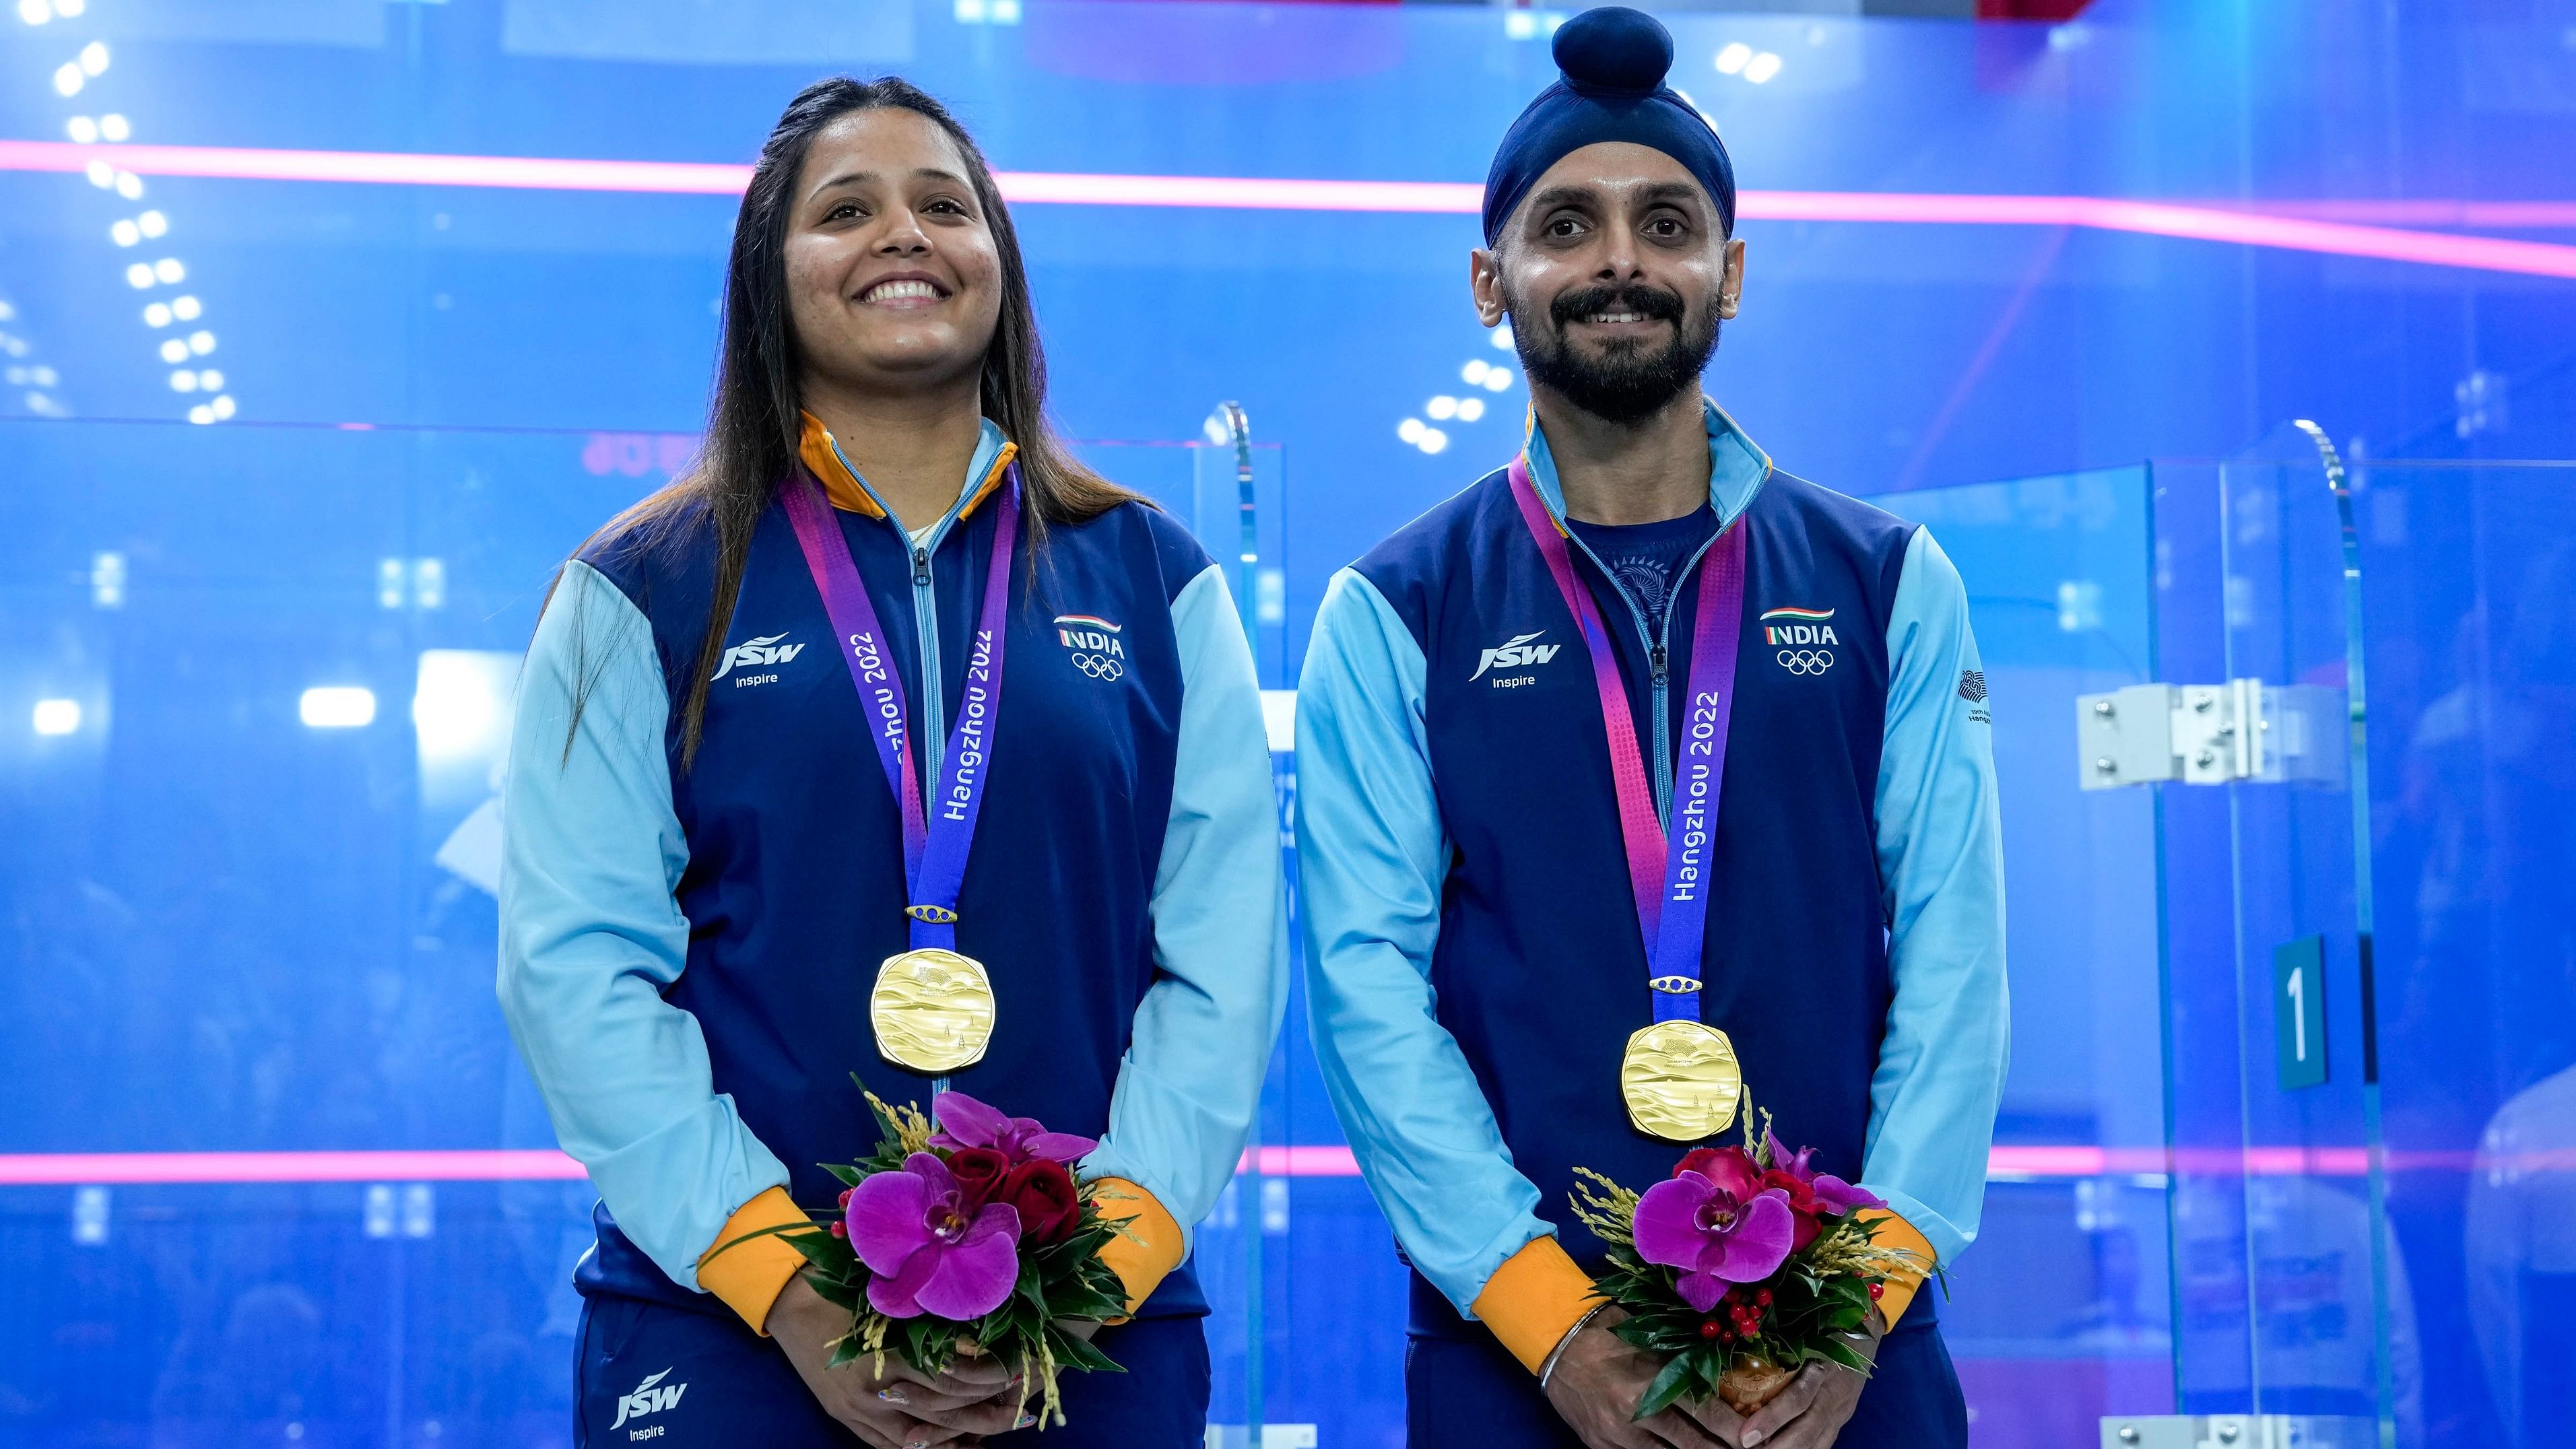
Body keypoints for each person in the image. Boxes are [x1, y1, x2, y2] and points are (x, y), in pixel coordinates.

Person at [498, 75, 1284, 1449]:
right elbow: (574, 968)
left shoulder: (1154, 576)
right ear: (768, 276)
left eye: (944, 205)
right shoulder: (642, 583)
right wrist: (783, 1285)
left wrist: (1111, 1251)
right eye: (844, 210)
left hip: (1092, 1325)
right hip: (726, 1323)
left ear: (1000, 262)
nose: (903, 234)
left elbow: (1221, 955)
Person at [1294, 11, 2006, 1448]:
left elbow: (1954, 953)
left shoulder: (1881, 582)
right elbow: (1366, 987)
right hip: (1532, 1342)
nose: (1618, 259)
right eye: (1567, 224)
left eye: (1665, 222)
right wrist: (1548, 1319)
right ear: (1490, 282)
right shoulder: (1394, 608)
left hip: (1847, 1336)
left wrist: (1857, 1301)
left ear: (1726, 275)